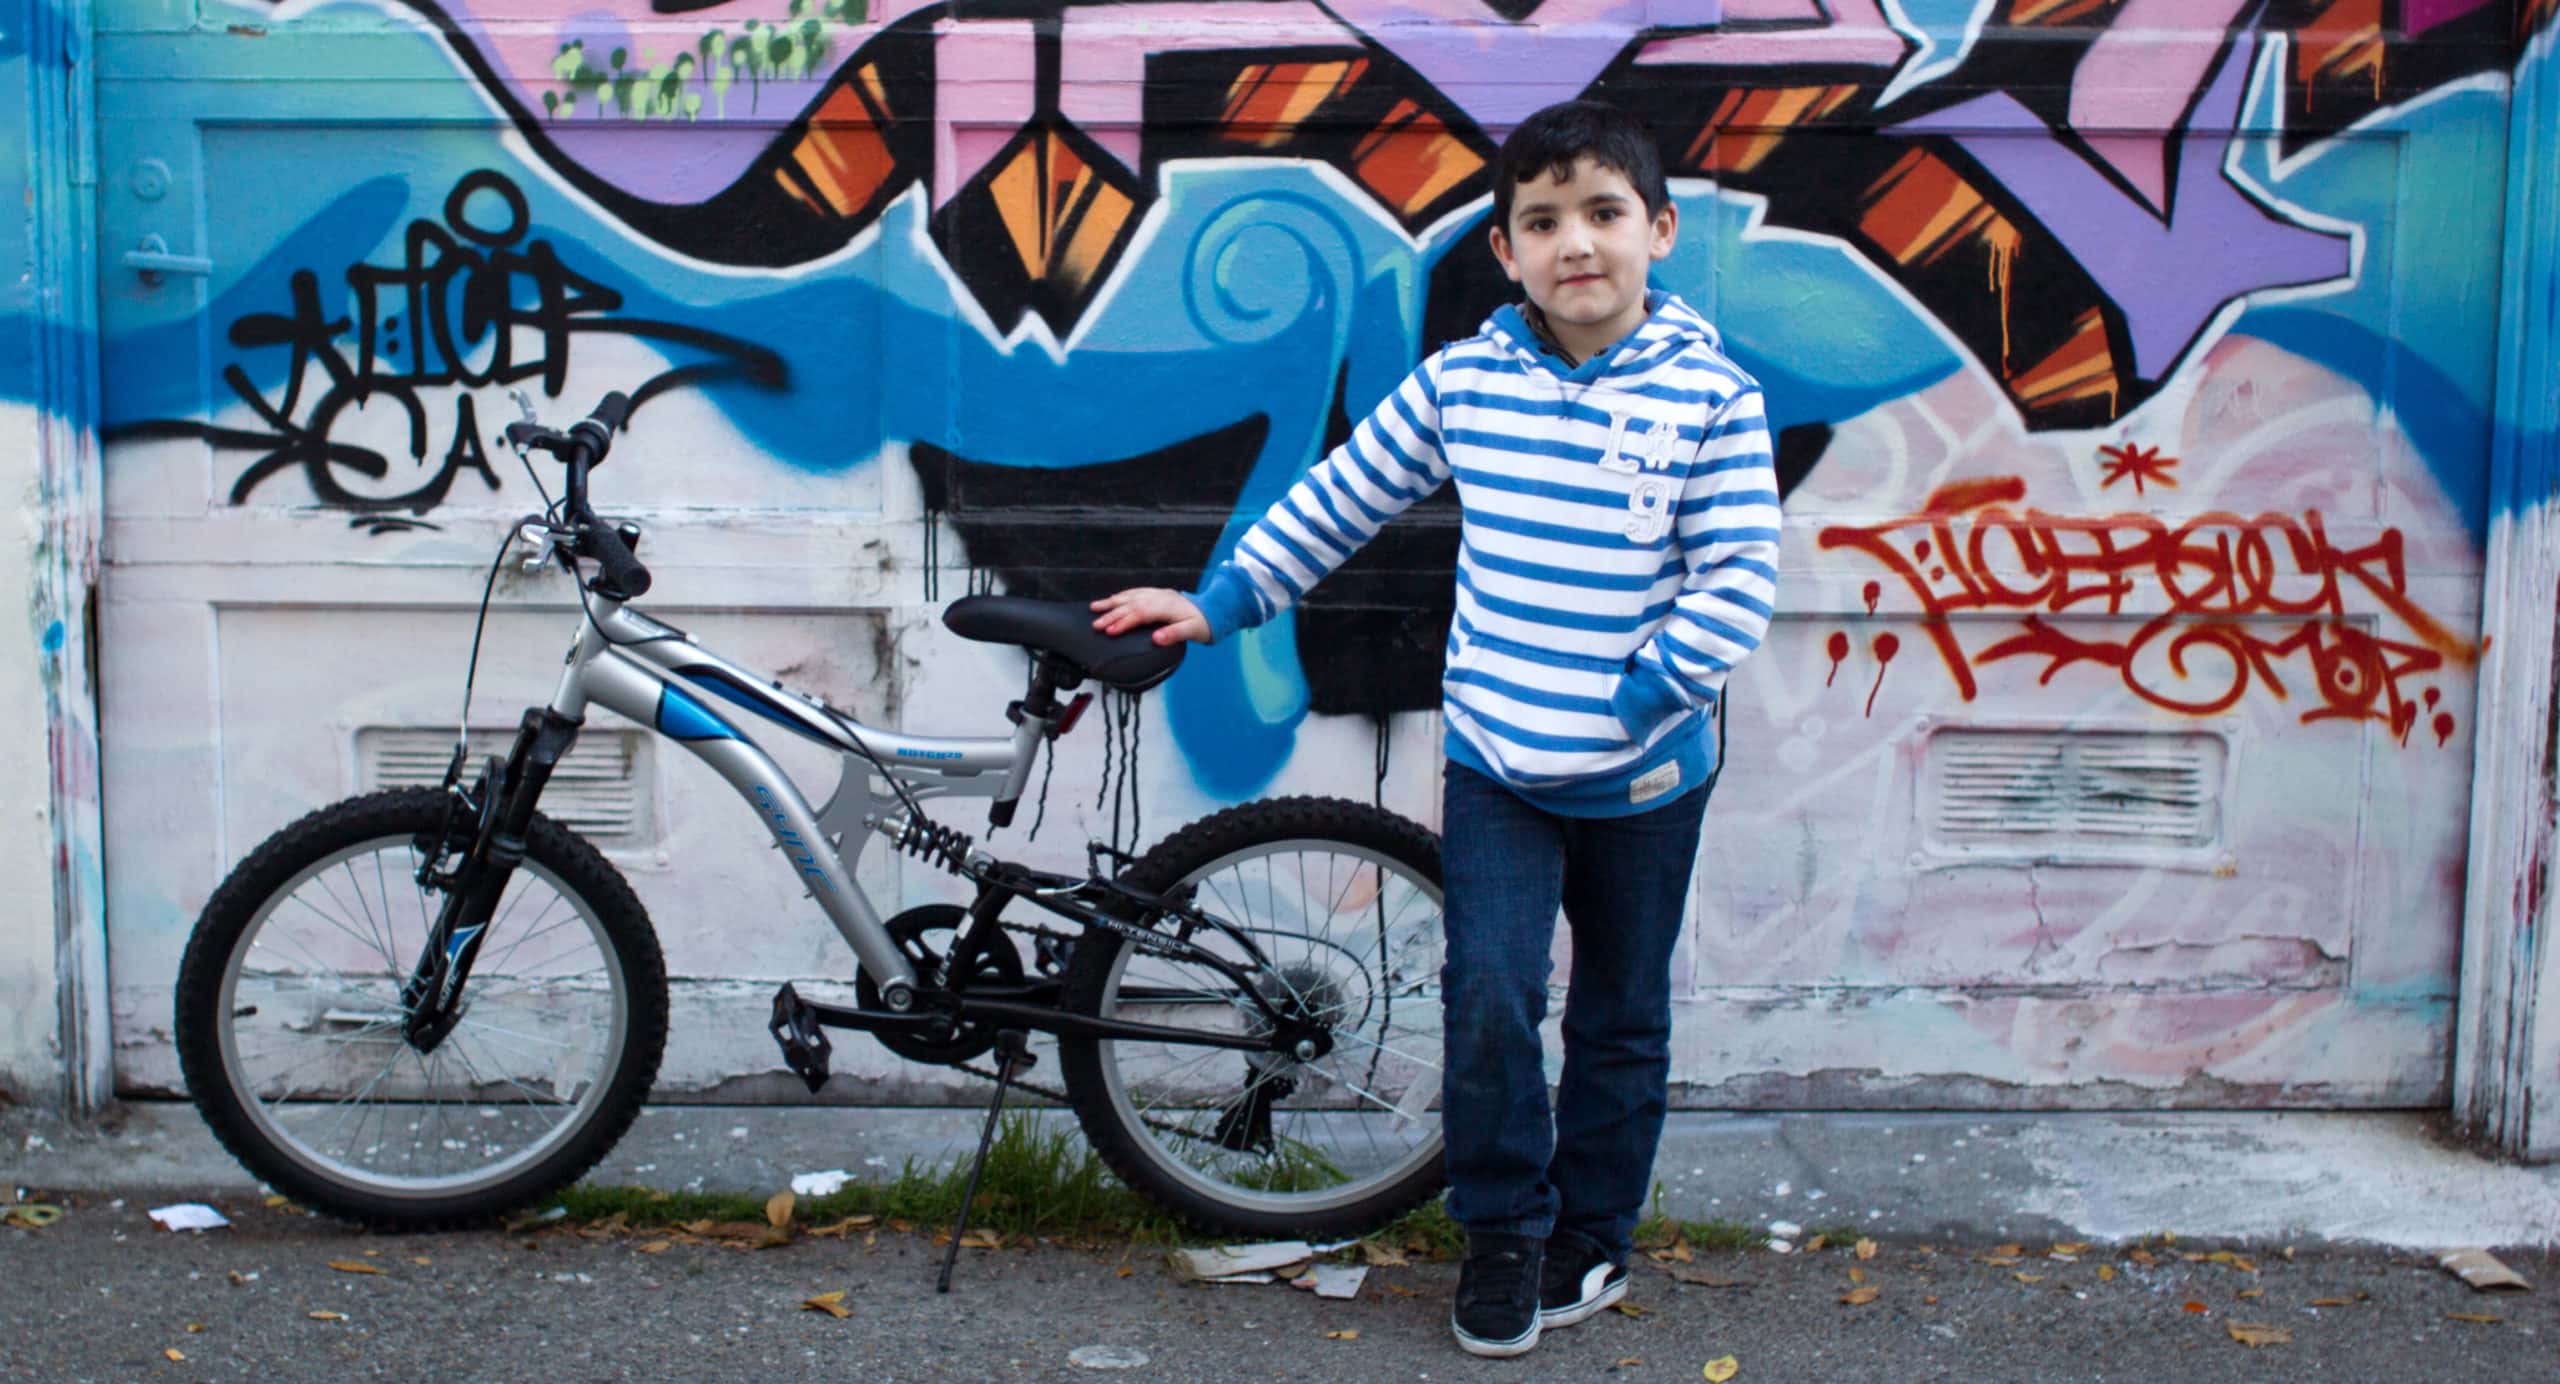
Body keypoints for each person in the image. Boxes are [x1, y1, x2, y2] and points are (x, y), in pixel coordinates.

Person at [1090, 99, 1781, 1358]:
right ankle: (1505, 1233)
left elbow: (1738, 580)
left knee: (1620, 1016)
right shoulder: (1466, 383)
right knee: (1490, 998)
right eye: (1542, 221)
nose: (1576, 242)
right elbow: (1337, 497)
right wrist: (1222, 599)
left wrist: (1635, 696)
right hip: (1500, 769)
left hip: (1646, 775)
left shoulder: (1712, 398)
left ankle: (1594, 1234)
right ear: (1507, 252)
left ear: (1659, 231)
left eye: (1604, 214)